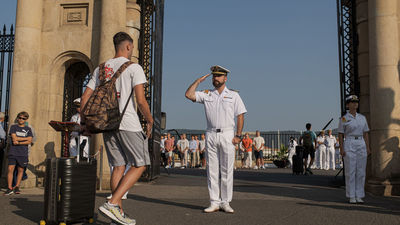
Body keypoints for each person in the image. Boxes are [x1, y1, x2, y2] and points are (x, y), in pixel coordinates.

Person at [80, 32, 153, 225]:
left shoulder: (101, 69)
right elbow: (141, 100)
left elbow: (85, 98)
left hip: (107, 125)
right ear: (128, 47)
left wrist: (84, 123)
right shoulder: (134, 67)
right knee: (140, 164)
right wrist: (150, 120)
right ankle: (113, 204)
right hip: (128, 123)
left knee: (118, 166)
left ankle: (117, 214)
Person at [185, 65, 246, 213]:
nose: (215, 79)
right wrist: (198, 81)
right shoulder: (207, 94)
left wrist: (238, 135)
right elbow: (189, 94)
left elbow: (240, 115)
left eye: (218, 76)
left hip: (227, 134)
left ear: (225, 78)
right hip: (211, 133)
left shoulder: (233, 95)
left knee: (226, 170)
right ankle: (214, 201)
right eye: (214, 76)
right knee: (211, 170)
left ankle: (225, 202)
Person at [338, 95, 370, 204]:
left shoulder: (362, 118)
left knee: (361, 171)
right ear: (348, 105)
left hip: (361, 142)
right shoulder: (344, 118)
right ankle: (351, 195)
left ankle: (359, 195)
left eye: (356, 101)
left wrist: (368, 147)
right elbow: (341, 134)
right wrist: (341, 148)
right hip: (350, 142)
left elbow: (366, 133)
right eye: (352, 102)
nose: (355, 103)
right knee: (350, 170)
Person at [4, 111, 33, 195]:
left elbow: (30, 140)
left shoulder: (28, 129)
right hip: (13, 152)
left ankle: (17, 186)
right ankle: (9, 188)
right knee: (10, 169)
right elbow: (13, 139)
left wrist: (19, 140)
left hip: (23, 153)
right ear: (17, 118)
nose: (21, 119)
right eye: (20, 118)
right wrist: (25, 139)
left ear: (26, 119)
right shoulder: (13, 127)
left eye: (23, 118)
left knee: (20, 170)